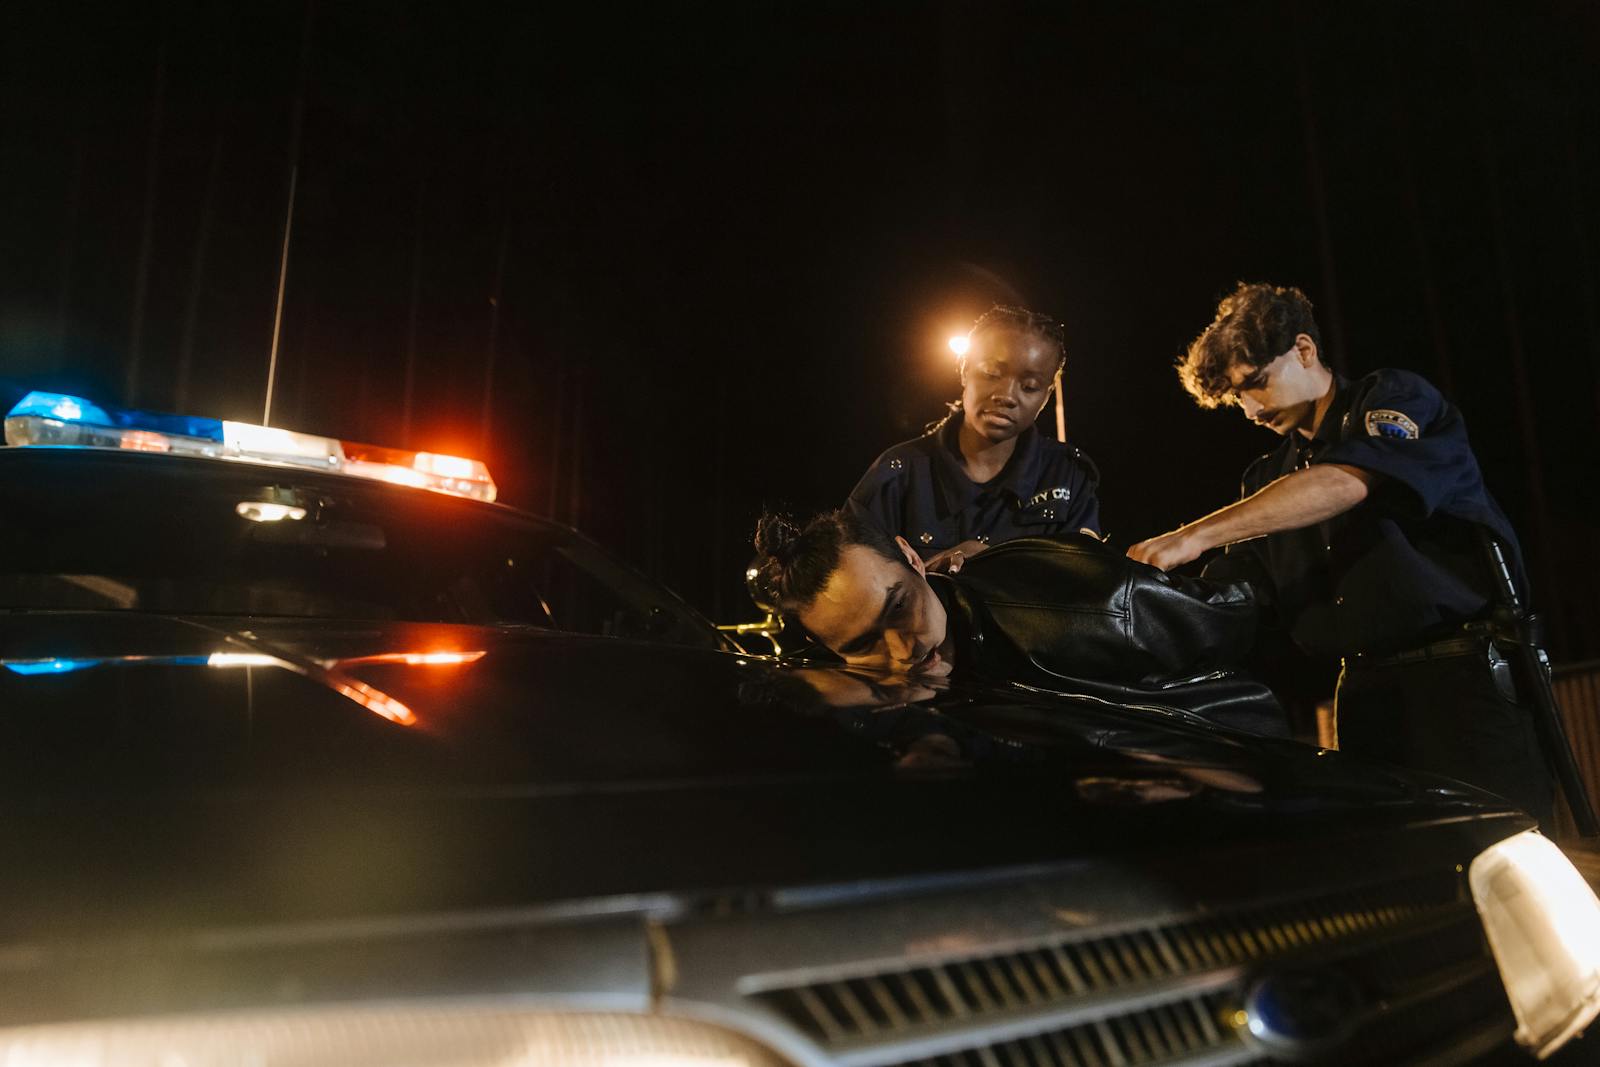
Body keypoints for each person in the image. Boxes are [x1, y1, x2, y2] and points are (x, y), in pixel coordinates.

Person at [1126, 281, 1554, 824]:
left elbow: (1346, 482)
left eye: (1255, 383)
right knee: (1389, 862)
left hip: (1461, 682)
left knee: (1508, 852)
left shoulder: (1394, 398)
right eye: (1237, 398)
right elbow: (1234, 593)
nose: (1250, 409)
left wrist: (1192, 536)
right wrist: (1132, 600)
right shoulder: (1265, 480)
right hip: (1364, 696)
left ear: (1304, 349)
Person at [748, 509, 1286, 736]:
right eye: (863, 643)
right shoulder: (836, 691)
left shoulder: (1095, 604)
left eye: (897, 608)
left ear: (913, 559)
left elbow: (1240, 621)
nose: (901, 650)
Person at [847, 306, 1101, 574]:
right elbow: (849, 580)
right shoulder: (897, 475)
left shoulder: (1069, 476)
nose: (1007, 395)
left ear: (1046, 396)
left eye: (1029, 386)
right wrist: (929, 579)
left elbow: (1085, 584)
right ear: (964, 369)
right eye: (991, 373)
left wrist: (997, 565)